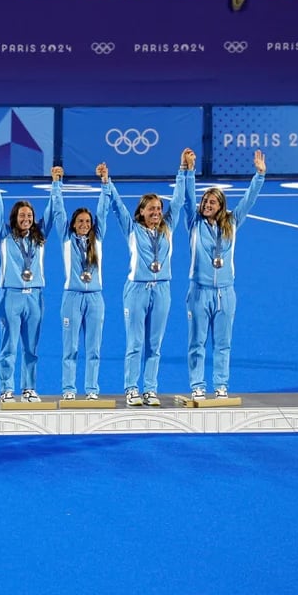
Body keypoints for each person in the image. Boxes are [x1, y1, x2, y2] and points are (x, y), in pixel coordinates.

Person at [105, 149, 193, 407]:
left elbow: (177, 201)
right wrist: (107, 182)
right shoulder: (132, 229)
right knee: (135, 342)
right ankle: (131, 388)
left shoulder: (167, 228)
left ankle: (150, 389)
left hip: (162, 289)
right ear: (141, 211)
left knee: (155, 344)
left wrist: (183, 169)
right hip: (137, 290)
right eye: (151, 208)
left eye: (158, 208)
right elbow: (117, 206)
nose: (156, 211)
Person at [183, 150, 266, 400]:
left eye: (212, 203)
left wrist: (260, 174)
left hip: (226, 293)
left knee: (223, 343)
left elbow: (248, 200)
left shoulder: (231, 222)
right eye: (205, 202)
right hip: (199, 291)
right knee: (197, 342)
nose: (206, 205)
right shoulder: (193, 222)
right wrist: (188, 170)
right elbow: (187, 198)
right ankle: (197, 384)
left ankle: (221, 385)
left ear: (221, 206)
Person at [0, 168, 57, 403]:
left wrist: (56, 183)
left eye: (29, 216)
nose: (26, 219)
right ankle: (6, 388)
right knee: (9, 345)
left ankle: (29, 388)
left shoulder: (39, 235)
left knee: (32, 347)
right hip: (11, 295)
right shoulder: (3, 235)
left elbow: (51, 213)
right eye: (22, 216)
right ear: (14, 217)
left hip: (35, 296)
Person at [51, 164, 111, 402]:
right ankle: (68, 389)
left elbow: (103, 210)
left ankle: (92, 389)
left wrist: (105, 182)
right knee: (71, 347)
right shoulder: (66, 239)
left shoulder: (98, 238)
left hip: (95, 298)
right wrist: (56, 183)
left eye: (87, 221)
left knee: (94, 348)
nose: (85, 224)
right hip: (72, 298)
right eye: (80, 221)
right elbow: (58, 211)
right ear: (73, 224)